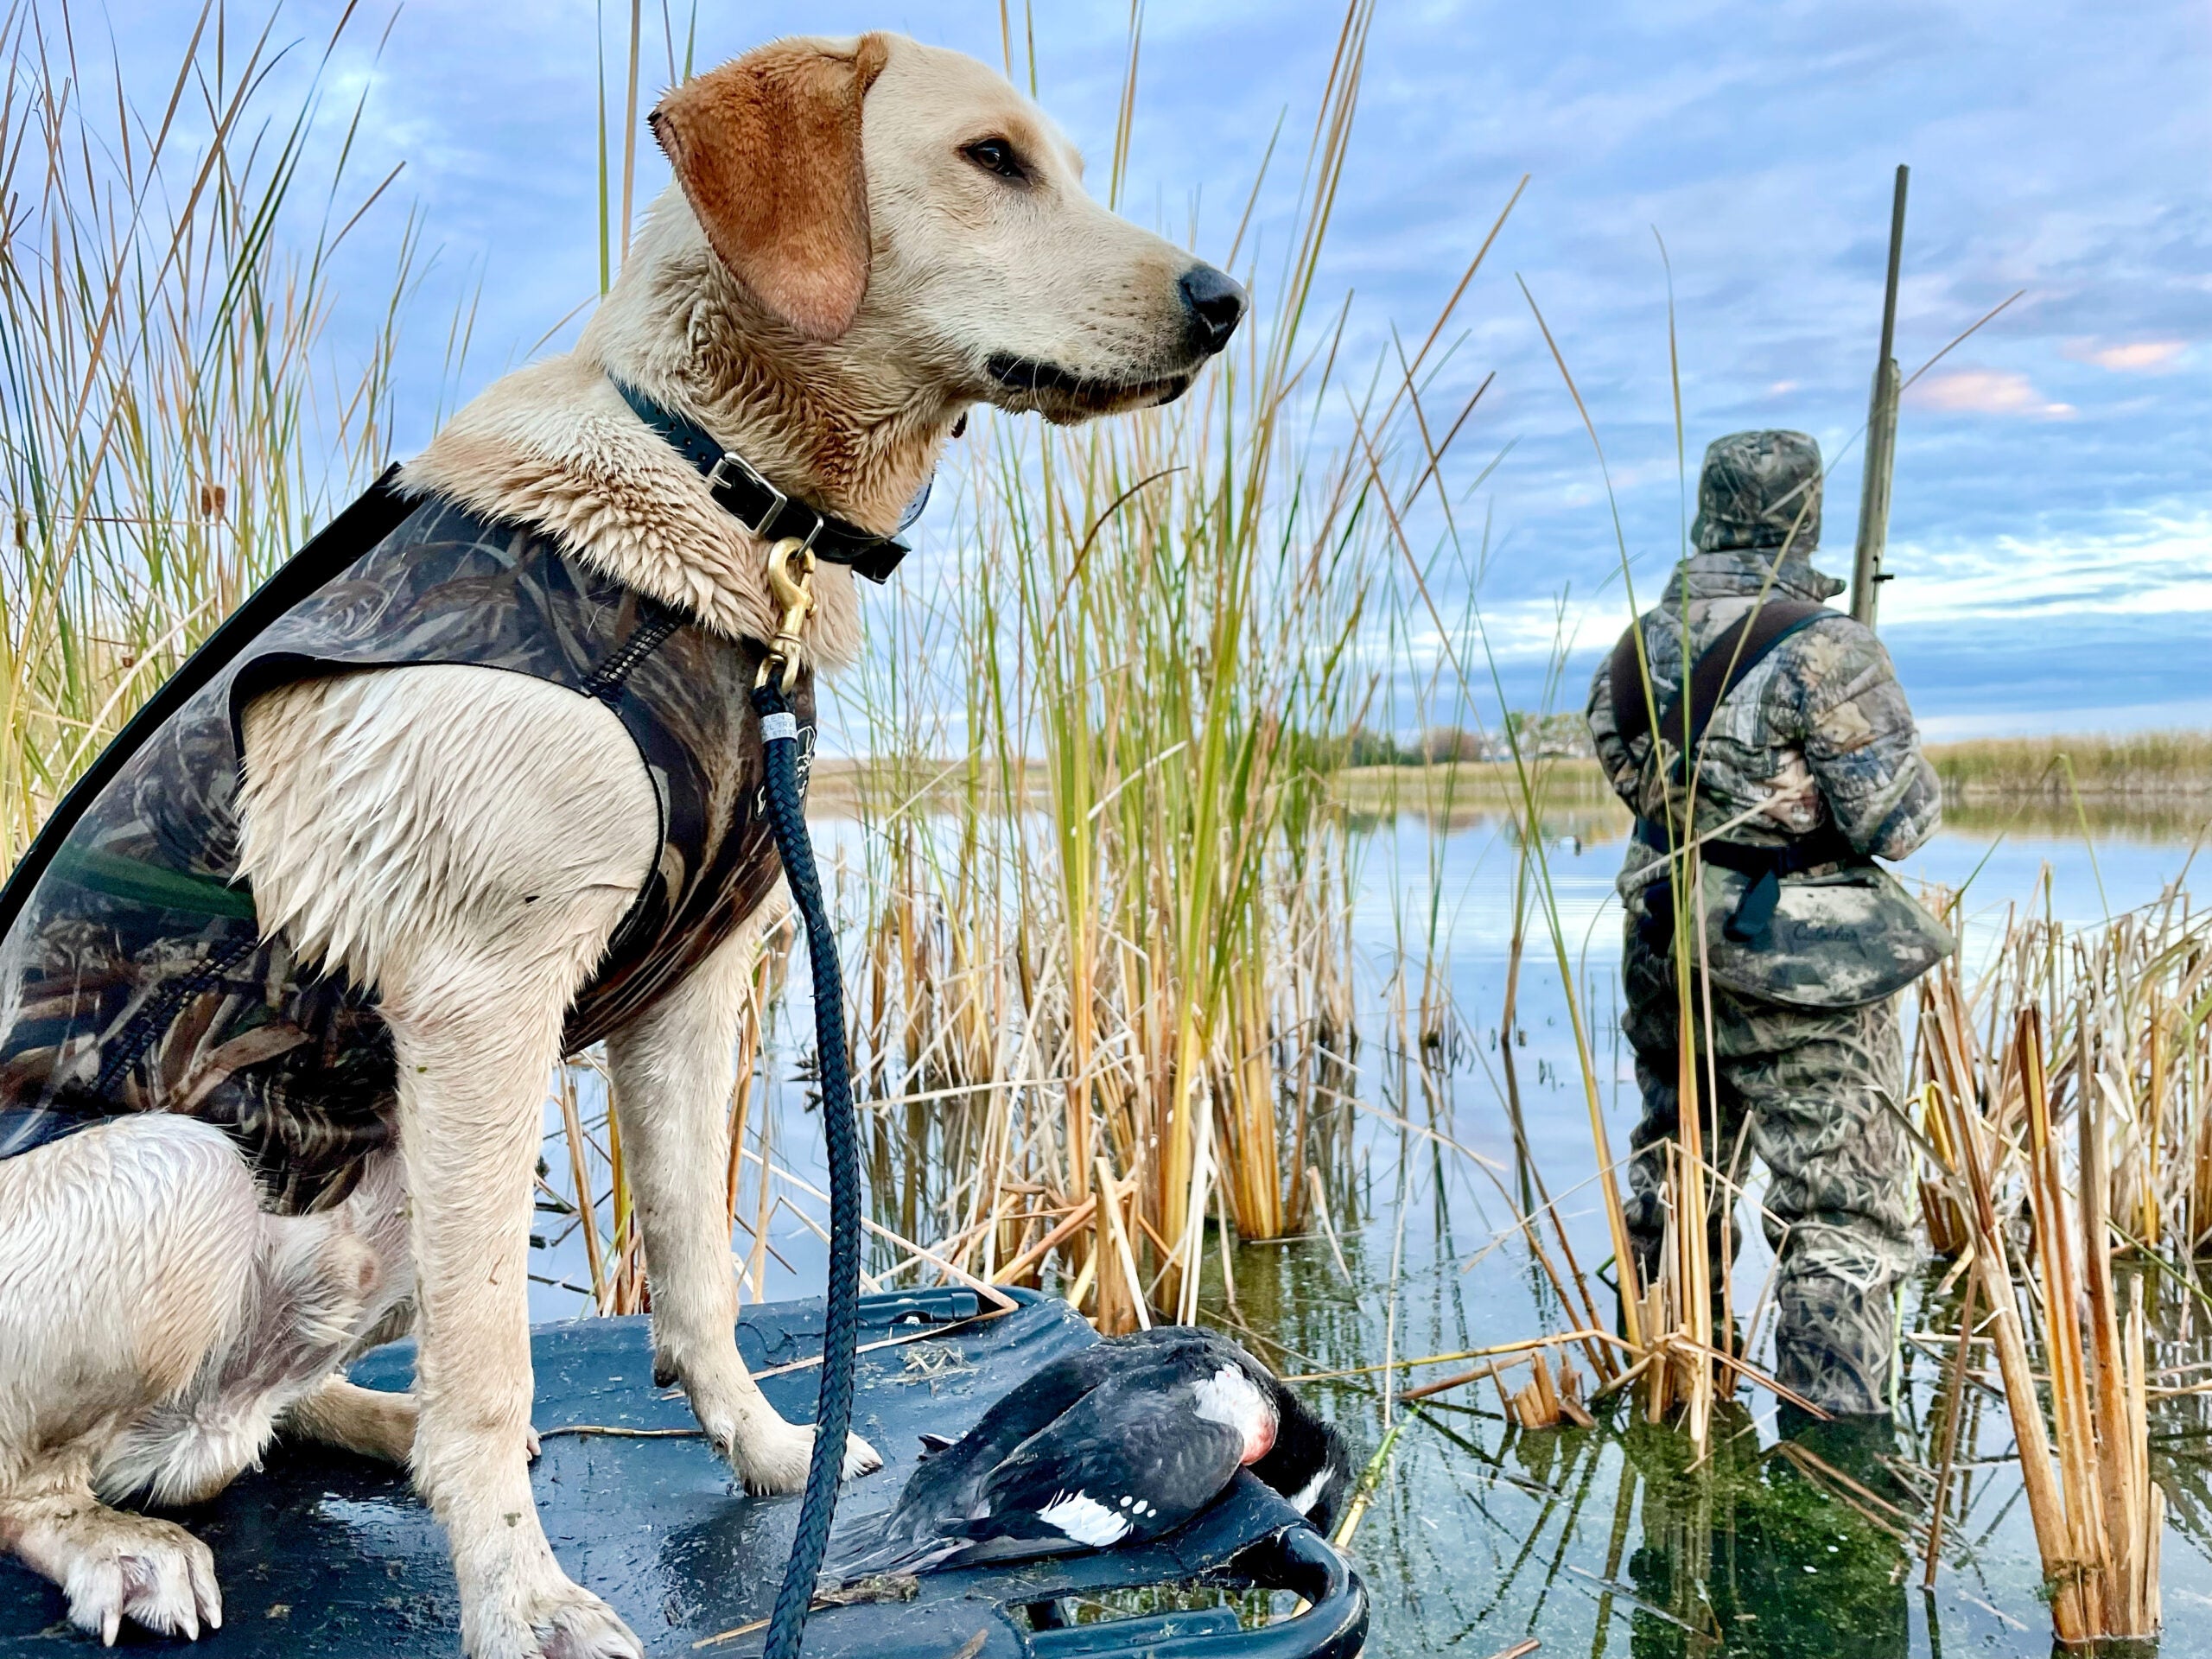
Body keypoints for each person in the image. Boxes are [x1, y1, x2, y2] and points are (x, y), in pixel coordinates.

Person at [1585, 429, 1948, 1439]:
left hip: (1663, 941)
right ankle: (1838, 1450)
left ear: (1708, 514)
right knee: (1841, 1212)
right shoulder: (1828, 647)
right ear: (1809, 517)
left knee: (1677, 1161)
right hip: (1802, 973)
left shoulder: (1635, 645)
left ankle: (1663, 1385)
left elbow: (1641, 787)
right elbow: (1900, 823)